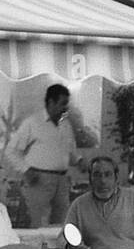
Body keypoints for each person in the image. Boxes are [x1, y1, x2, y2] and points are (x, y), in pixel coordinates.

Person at [6, 81, 84, 228]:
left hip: (62, 181)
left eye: (67, 104)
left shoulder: (65, 125)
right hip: (39, 180)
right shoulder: (32, 123)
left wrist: (79, 161)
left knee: (62, 224)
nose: (65, 108)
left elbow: (71, 153)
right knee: (38, 224)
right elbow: (11, 150)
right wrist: (26, 169)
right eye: (62, 104)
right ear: (50, 102)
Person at [65, 156, 134, 249]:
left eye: (107, 175)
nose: (103, 180)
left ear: (116, 177)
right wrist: (73, 247)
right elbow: (64, 236)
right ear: (90, 179)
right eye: (97, 175)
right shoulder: (79, 204)